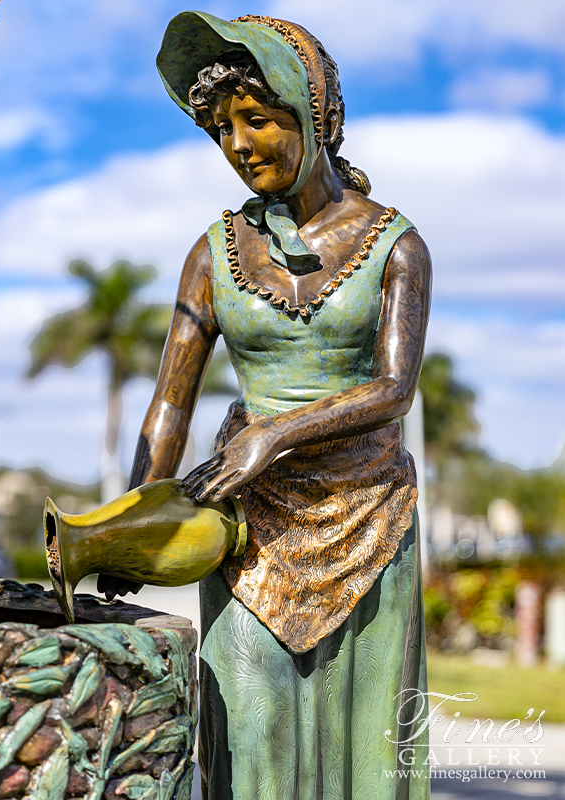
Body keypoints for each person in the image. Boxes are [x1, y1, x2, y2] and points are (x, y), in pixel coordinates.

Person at [101, 12, 432, 799]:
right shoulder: (212, 252)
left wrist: (273, 435)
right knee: (247, 735)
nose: (239, 145)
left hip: (370, 520)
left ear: (312, 115)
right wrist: (128, 526)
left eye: (256, 118)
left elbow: (394, 390)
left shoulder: (397, 246)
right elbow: (169, 406)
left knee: (371, 754)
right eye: (221, 129)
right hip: (252, 527)